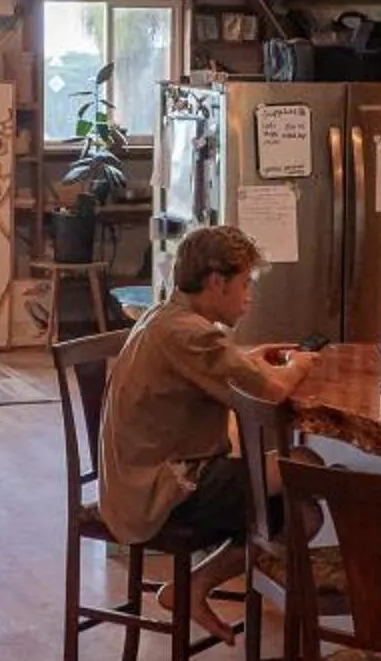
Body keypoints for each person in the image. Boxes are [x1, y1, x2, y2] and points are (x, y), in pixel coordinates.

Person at [96, 224, 314, 631]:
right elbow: (272, 395)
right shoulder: (192, 335)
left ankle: (193, 587)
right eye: (245, 283)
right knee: (305, 465)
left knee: (297, 507)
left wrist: (247, 358)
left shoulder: (166, 317)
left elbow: (216, 366)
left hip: (137, 480)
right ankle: (201, 587)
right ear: (217, 283)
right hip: (161, 490)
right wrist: (302, 364)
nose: (250, 297)